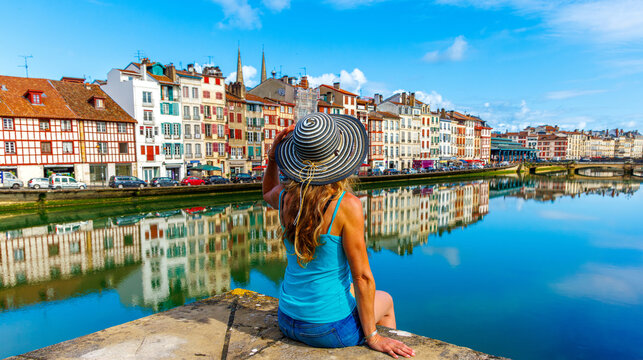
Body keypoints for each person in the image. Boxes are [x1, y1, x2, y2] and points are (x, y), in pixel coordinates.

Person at [263, 112, 415, 358]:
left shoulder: (286, 197)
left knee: (349, 292)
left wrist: (272, 159)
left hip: (288, 320)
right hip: (329, 330)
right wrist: (372, 335)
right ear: (338, 156)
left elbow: (267, 190)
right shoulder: (347, 205)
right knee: (385, 299)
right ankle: (377, 347)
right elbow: (363, 277)